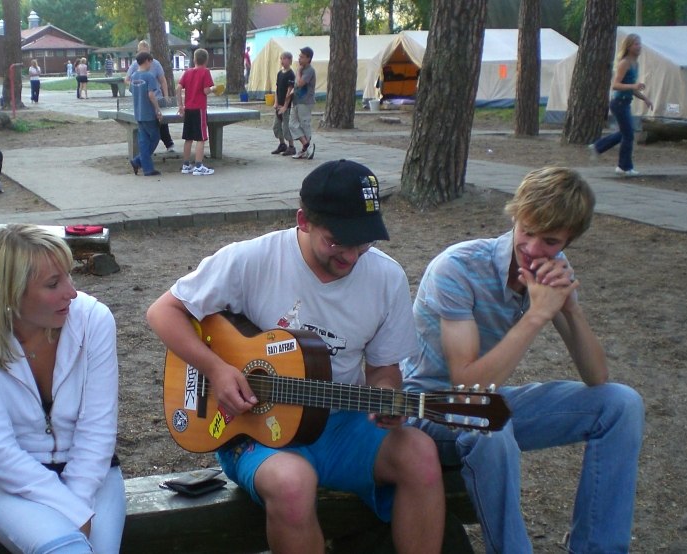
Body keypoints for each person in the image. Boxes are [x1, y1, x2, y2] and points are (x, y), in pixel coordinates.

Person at [147, 159, 446, 553]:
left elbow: (383, 368)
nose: (352, 257)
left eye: (364, 243)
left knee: (421, 454)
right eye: (338, 241)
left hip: (341, 424)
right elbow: (162, 312)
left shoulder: (386, 278)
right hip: (255, 431)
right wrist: (217, 370)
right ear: (304, 220)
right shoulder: (252, 259)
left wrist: (388, 394)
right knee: (292, 483)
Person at [401, 167, 645, 554]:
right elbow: (466, 385)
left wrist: (569, 310)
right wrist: (535, 316)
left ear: (569, 240)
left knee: (620, 404)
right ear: (515, 216)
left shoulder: (554, 270)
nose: (532, 248)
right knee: (491, 423)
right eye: (526, 231)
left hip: (486, 403)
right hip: (423, 408)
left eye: (550, 241)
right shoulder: (457, 267)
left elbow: (597, 376)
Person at [0, 224, 125, 554]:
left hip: (93, 475)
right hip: (6, 484)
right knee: (67, 549)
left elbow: (98, 429)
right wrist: (71, 512)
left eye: (69, 276)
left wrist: (77, 503)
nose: (71, 292)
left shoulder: (93, 319)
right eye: (53, 284)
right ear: (10, 293)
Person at [588, 34, 653, 177]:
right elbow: (616, 85)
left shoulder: (635, 63)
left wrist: (645, 99)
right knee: (629, 135)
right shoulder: (624, 63)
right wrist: (634, 85)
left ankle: (598, 147)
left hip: (626, 103)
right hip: (618, 103)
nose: (639, 46)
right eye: (636, 44)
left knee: (625, 133)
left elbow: (632, 88)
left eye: (639, 44)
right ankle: (624, 167)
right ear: (629, 46)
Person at [126, 40, 176, 153]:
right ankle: (144, 152)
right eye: (141, 52)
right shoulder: (135, 65)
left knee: (161, 121)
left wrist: (166, 95)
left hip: (156, 97)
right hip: (142, 100)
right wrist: (136, 88)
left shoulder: (156, 64)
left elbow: (162, 80)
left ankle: (168, 143)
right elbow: (128, 79)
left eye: (146, 52)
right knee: (145, 125)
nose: (144, 56)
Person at [177, 48, 216, 176]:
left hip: (188, 108)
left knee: (188, 138)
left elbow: (178, 88)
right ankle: (199, 166)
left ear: (194, 59)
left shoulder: (187, 73)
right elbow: (205, 91)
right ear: (206, 60)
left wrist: (180, 105)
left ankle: (186, 165)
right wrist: (213, 89)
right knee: (201, 138)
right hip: (199, 109)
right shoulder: (205, 72)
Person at [128, 52, 163, 177]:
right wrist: (157, 109)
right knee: (155, 137)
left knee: (143, 140)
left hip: (138, 112)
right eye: (151, 62)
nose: (151, 65)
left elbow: (132, 91)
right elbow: (151, 95)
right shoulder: (149, 77)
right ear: (147, 61)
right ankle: (142, 164)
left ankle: (138, 162)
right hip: (148, 112)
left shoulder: (133, 76)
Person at [287, 46, 316, 160]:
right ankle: (307, 145)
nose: (299, 59)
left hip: (305, 102)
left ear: (308, 59)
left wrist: (298, 71)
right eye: (299, 56)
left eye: (302, 57)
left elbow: (300, 83)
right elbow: (295, 86)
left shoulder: (309, 70)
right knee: (292, 124)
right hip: (296, 101)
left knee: (305, 124)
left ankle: (306, 150)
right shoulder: (300, 69)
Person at [271, 51, 296, 156]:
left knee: (286, 127)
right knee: (276, 126)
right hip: (279, 104)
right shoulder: (280, 73)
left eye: (285, 59)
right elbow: (277, 89)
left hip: (287, 106)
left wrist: (286, 106)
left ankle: (291, 146)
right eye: (281, 59)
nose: (282, 61)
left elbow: (289, 91)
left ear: (290, 61)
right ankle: (282, 144)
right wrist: (276, 102)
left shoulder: (291, 74)